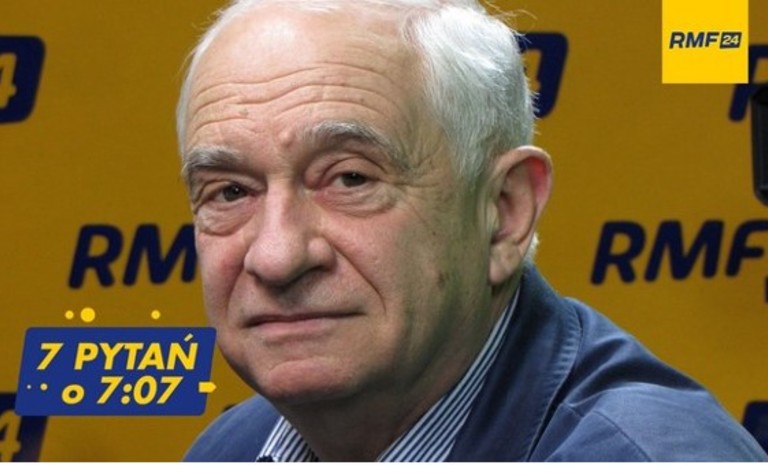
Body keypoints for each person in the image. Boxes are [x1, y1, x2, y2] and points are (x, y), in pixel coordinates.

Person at [177, 0, 767, 461]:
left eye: (350, 178)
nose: (277, 256)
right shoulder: (232, 450)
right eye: (230, 191)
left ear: (504, 212)